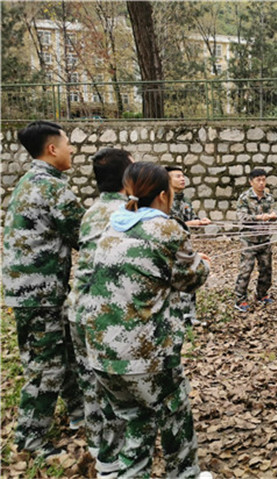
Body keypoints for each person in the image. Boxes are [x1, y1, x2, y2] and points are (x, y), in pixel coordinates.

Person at [80, 162, 212, 478]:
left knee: (134, 418)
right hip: (145, 353)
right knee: (173, 409)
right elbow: (190, 279)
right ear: (165, 195)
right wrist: (201, 264)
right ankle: (185, 474)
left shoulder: (114, 226)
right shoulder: (166, 229)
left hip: (101, 350)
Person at [2, 120, 85, 460]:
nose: (71, 151)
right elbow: (84, 235)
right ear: (52, 149)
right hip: (40, 294)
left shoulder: (30, 181)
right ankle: (29, 442)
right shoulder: (52, 188)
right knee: (45, 367)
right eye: (68, 145)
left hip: (32, 291)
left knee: (64, 354)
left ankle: (81, 413)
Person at [65, 148, 133, 475]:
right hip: (107, 315)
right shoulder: (129, 211)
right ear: (127, 178)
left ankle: (99, 449)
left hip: (79, 309)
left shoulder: (91, 211)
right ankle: (114, 461)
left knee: (90, 383)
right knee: (116, 389)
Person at [165, 165, 210, 325]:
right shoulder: (164, 199)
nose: (182, 179)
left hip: (185, 246)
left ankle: (189, 316)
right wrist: (190, 223)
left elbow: (191, 218)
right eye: (177, 176)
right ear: (167, 180)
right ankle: (178, 317)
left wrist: (201, 221)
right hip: (170, 247)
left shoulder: (184, 200)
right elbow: (168, 224)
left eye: (183, 176)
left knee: (189, 278)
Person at [234, 168, 277, 312]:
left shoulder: (269, 197)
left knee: (266, 269)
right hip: (249, 239)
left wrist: (273, 216)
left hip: (265, 239)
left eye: (264, 180)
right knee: (246, 270)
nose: (261, 183)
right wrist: (258, 217)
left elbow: (275, 212)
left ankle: (261, 294)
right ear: (251, 182)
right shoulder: (244, 198)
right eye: (258, 180)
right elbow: (242, 218)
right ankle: (240, 299)